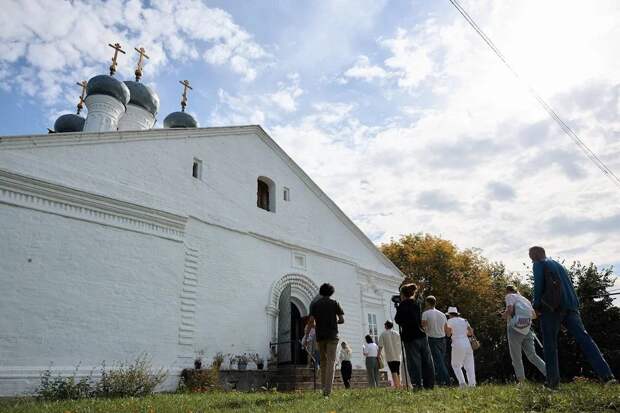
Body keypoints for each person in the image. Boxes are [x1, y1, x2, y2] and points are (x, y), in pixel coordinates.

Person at [530, 246, 616, 388]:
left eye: (530, 256)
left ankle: (553, 383)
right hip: (571, 306)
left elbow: (538, 286)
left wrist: (536, 306)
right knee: (585, 339)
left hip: (552, 308)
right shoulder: (559, 265)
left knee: (550, 345)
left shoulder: (539, 264)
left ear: (534, 255)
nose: (531, 259)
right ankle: (607, 376)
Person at [502, 285, 546, 382]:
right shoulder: (525, 300)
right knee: (533, 356)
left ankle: (521, 382)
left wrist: (503, 315)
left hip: (514, 330)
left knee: (516, 357)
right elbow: (534, 316)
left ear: (508, 291)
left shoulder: (509, 296)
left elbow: (509, 310)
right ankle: (549, 373)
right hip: (527, 329)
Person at [394, 283, 435, 389]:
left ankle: (417, 385)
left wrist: (398, 307)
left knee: (414, 363)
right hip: (421, 335)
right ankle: (429, 385)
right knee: (427, 361)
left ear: (402, 294)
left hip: (410, 337)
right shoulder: (416, 303)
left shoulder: (403, 305)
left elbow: (398, 320)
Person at [307, 283, 345, 397]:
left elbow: (311, 321)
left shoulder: (315, 304)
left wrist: (306, 335)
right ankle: (327, 391)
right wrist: (334, 322)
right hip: (332, 335)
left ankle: (323, 387)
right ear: (331, 292)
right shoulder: (335, 303)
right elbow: (342, 320)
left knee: (323, 362)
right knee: (331, 362)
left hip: (320, 336)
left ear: (321, 292)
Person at [421, 296, 450, 386]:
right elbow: (446, 329)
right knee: (441, 361)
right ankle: (441, 382)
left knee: (438, 362)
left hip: (432, 339)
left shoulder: (425, 313)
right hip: (442, 339)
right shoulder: (442, 314)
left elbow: (424, 327)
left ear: (427, 303)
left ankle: (447, 380)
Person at [445, 306, 476, 387]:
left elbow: (448, 334)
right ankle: (472, 384)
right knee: (469, 365)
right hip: (467, 343)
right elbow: (471, 332)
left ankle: (462, 383)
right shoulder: (464, 320)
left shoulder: (449, 321)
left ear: (449, 314)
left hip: (457, 343)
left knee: (455, 365)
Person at [378, 320, 402, 388]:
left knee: (393, 370)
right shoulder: (397, 333)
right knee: (397, 370)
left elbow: (380, 346)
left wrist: (378, 354)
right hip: (398, 355)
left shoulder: (383, 334)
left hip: (390, 355)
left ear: (386, 326)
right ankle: (399, 384)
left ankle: (396, 386)